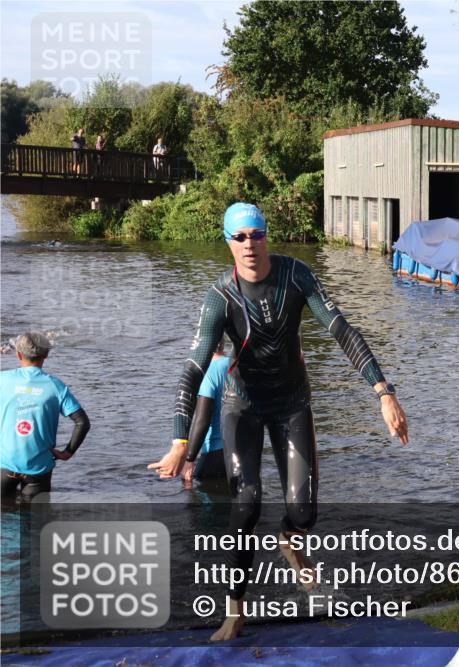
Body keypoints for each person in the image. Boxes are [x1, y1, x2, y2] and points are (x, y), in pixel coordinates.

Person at [148, 202, 408, 641]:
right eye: (240, 237)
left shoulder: (295, 275)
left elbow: (341, 329)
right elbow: (193, 369)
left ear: (267, 236)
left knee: (303, 513)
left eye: (257, 234)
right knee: (246, 505)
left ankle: (291, 541)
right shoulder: (220, 296)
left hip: (291, 404)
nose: (249, 244)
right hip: (242, 408)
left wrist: (384, 392)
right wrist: (179, 442)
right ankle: (235, 610)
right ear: (229, 242)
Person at [1, 333, 90, 504]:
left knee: (3, 513)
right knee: (36, 517)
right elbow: (82, 422)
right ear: (46, 354)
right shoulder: (56, 386)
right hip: (39, 468)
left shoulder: (2, 380)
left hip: (4, 465)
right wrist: (67, 453)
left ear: (18, 354)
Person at [180, 340, 229, 486]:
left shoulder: (208, 373)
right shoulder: (236, 364)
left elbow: (202, 420)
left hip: (215, 454)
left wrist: (189, 460)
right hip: (242, 450)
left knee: (189, 488)